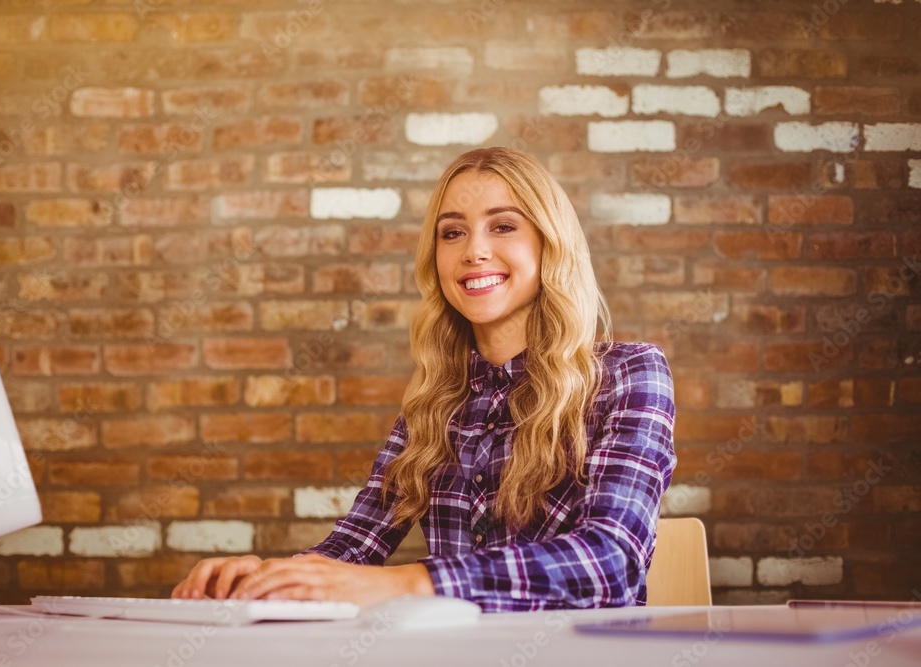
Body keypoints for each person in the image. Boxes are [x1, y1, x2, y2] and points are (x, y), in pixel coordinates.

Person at [172, 147, 676, 611]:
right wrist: (258, 579)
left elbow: (610, 561)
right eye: (452, 232)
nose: (473, 251)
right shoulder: (436, 403)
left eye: (503, 227)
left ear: (550, 243)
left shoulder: (630, 374)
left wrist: (413, 583)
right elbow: (353, 548)